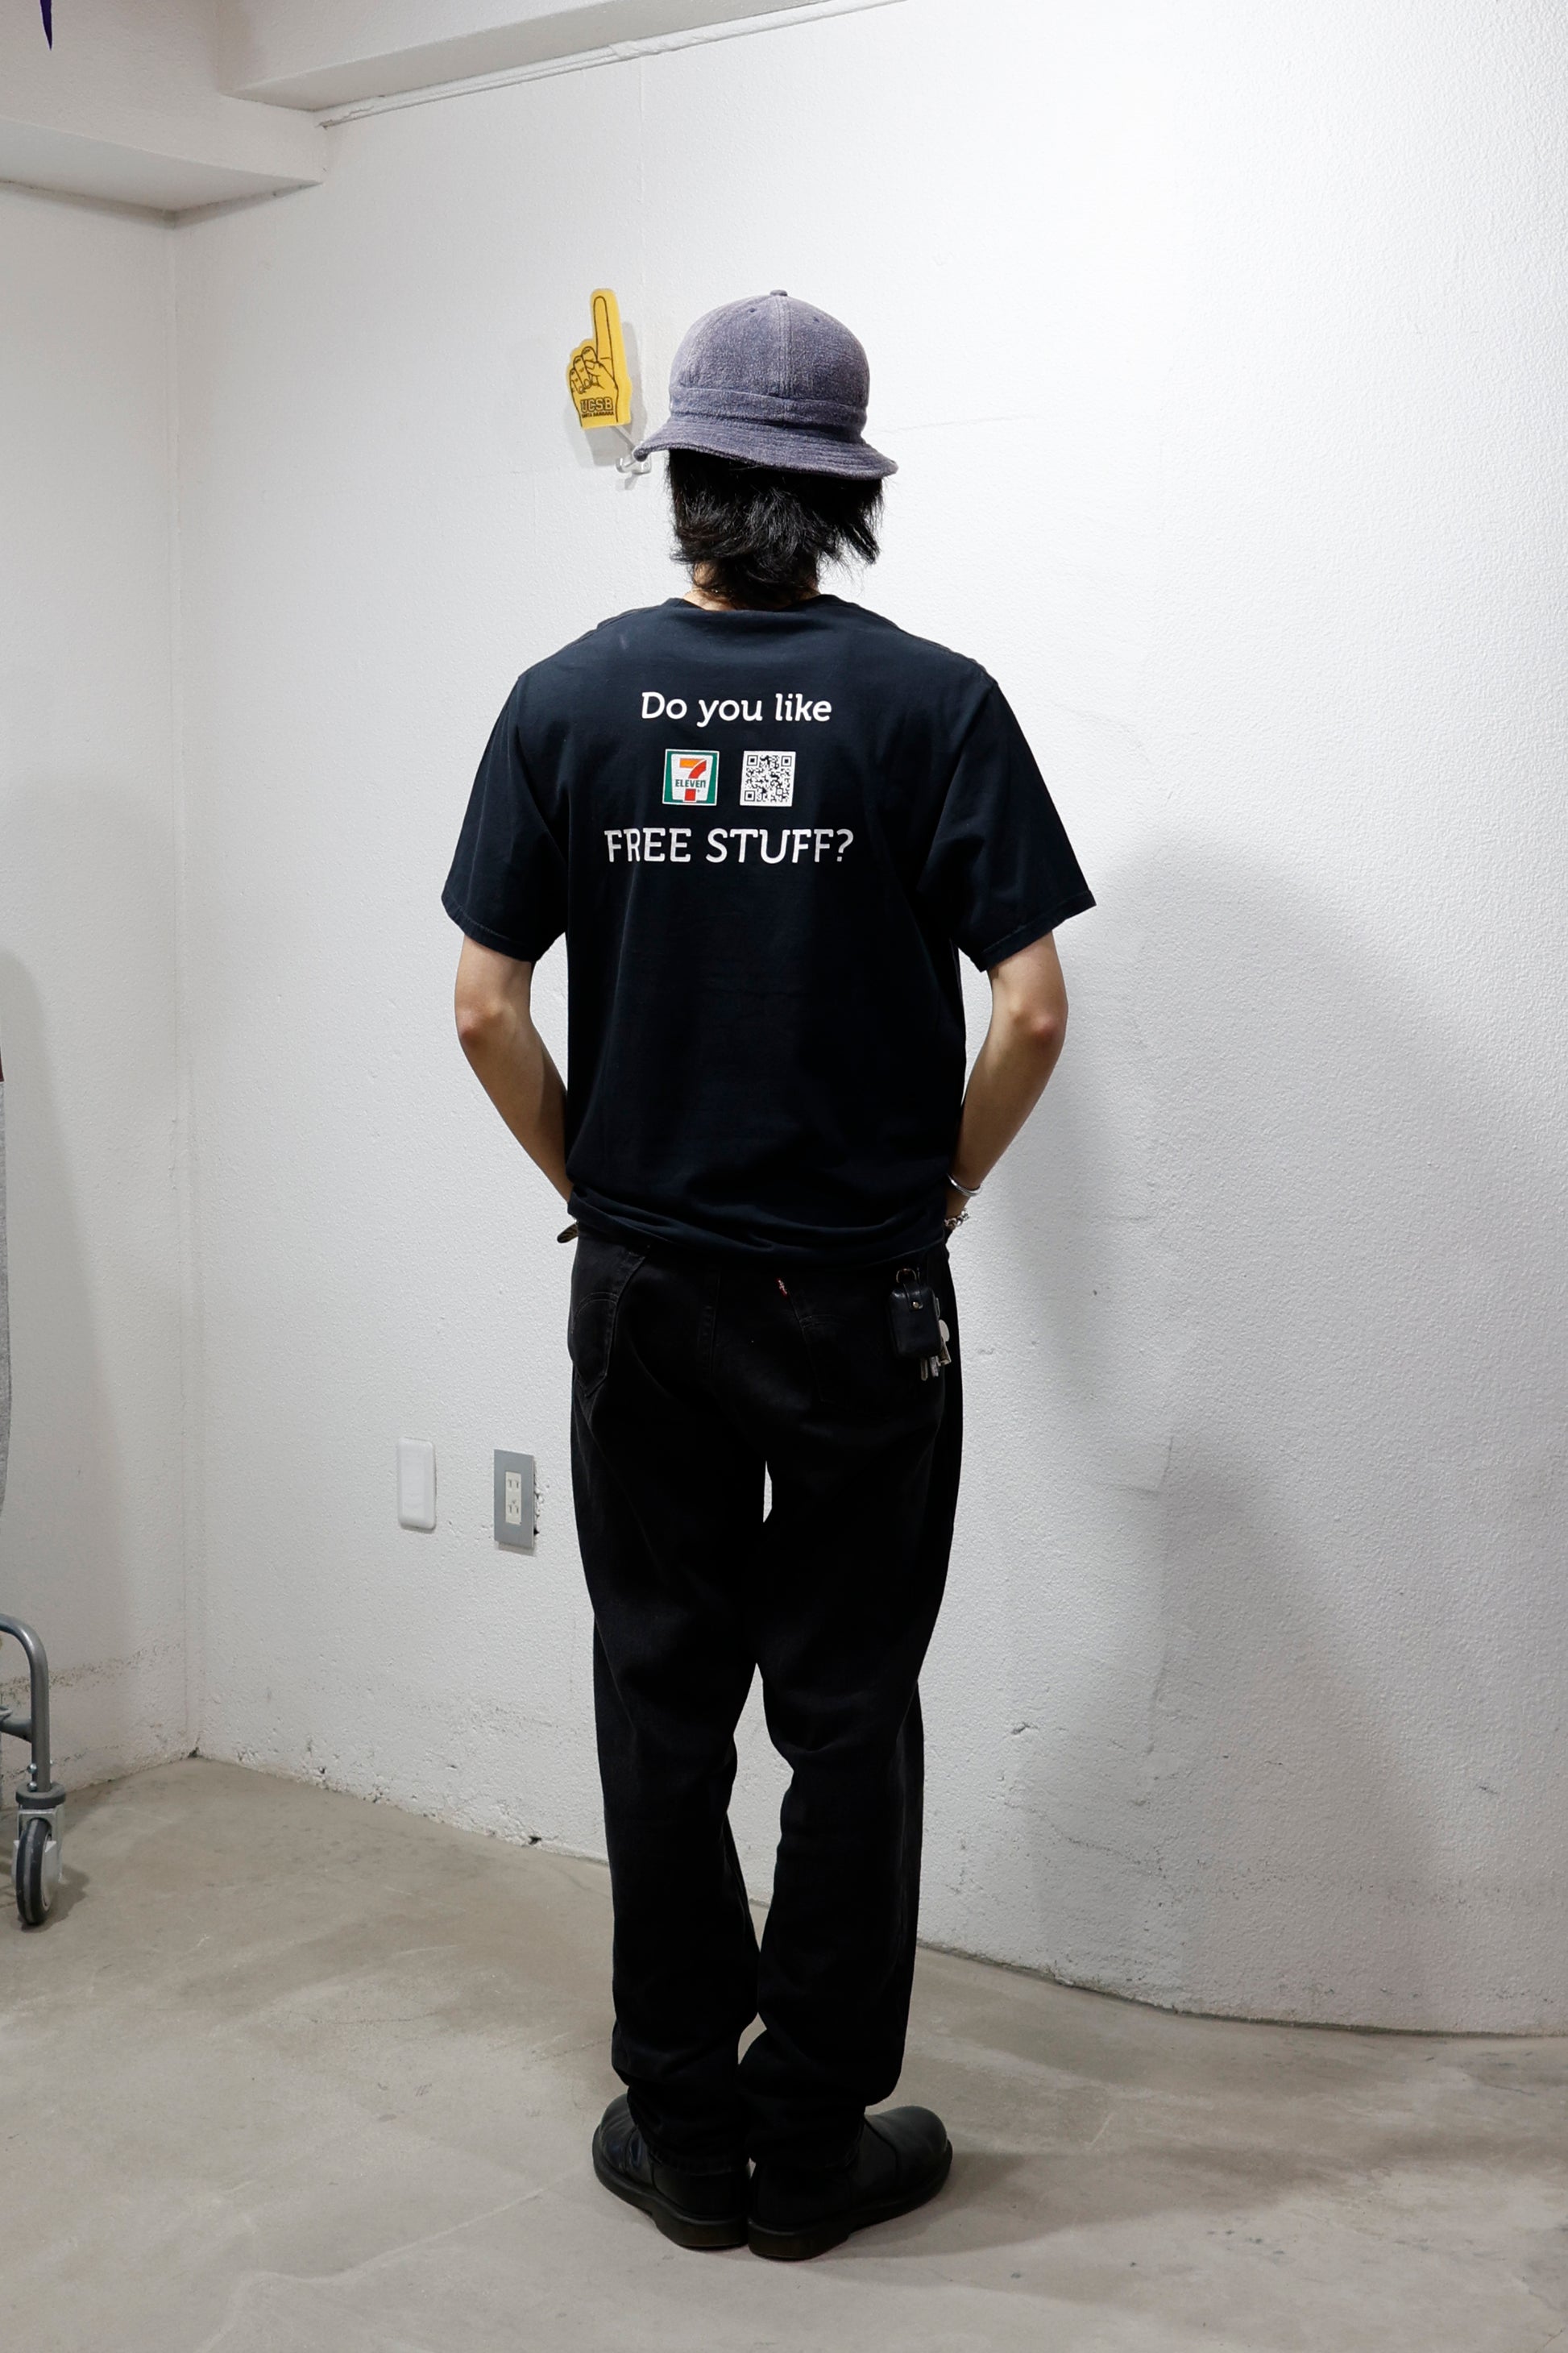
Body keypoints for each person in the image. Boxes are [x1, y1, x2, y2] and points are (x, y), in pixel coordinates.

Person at [443, 291, 1093, 2262]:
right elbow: (1032, 1009)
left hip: (649, 1287)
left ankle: (681, 2125)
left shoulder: (568, 698)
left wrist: (602, 1180)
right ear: (841, 498)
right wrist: (944, 1187)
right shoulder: (931, 702)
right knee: (845, 1709)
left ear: (686, 486)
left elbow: (482, 1007)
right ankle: (809, 2147)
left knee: (662, 1699)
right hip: (860, 1297)